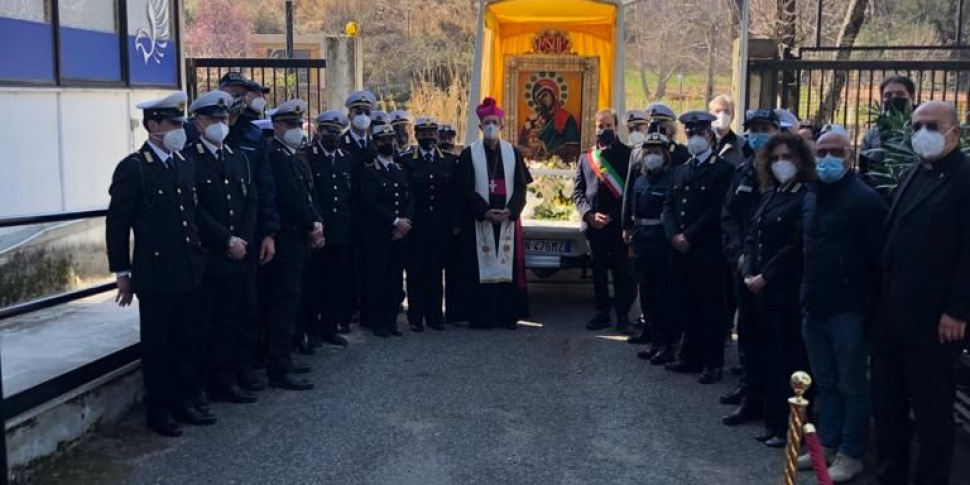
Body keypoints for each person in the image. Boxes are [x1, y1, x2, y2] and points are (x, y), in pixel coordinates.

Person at [873, 100, 970, 485]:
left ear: (954, 133)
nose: (923, 134)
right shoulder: (914, 171)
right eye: (917, 127)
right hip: (891, 312)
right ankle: (889, 476)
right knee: (888, 405)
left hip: (934, 319)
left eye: (932, 126)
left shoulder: (965, 177)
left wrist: (958, 311)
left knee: (932, 413)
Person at [106, 91, 213, 436]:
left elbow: (191, 216)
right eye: (172, 123)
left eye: (180, 123)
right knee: (158, 345)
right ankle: (160, 410)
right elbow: (117, 224)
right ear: (153, 125)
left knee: (188, 339)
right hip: (156, 273)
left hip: (188, 267)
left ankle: (186, 399)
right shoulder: (134, 168)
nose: (178, 129)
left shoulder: (182, 163)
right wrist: (121, 272)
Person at [796, 129, 887, 482]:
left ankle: (852, 453)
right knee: (826, 381)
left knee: (851, 383)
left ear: (850, 157)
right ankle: (827, 445)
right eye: (821, 152)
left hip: (848, 309)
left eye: (836, 152)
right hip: (814, 303)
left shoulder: (865, 201)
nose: (827, 159)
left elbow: (877, 261)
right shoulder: (812, 194)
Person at [181, 91, 260, 406]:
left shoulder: (237, 157)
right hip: (211, 255)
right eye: (212, 118)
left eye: (224, 118)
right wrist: (226, 241)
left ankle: (229, 379)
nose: (219, 123)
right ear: (198, 122)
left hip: (239, 253)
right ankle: (204, 384)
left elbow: (249, 201)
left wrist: (243, 239)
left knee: (234, 319)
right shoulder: (190, 158)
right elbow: (195, 209)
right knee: (206, 323)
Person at [742, 132, 814, 448]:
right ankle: (773, 422)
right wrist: (747, 269)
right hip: (761, 289)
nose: (781, 164)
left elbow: (795, 245)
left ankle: (791, 428)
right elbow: (752, 236)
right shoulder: (772, 193)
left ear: (800, 161)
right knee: (769, 356)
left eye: (787, 158)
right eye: (775, 159)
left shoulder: (804, 195)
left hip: (784, 289)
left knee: (790, 359)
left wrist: (766, 275)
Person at [662, 111, 734, 384]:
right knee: (687, 304)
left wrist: (688, 236)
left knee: (711, 308)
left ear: (710, 136)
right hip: (681, 250)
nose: (694, 139)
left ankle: (712, 362)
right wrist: (673, 236)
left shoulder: (723, 170)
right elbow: (669, 205)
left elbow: (716, 210)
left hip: (706, 250)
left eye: (699, 134)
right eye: (689, 134)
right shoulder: (681, 169)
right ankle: (689, 356)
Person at [218, 72, 278, 392]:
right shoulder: (204, 132)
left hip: (250, 235)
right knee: (218, 313)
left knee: (247, 307)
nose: (240, 99)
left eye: (245, 93)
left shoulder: (252, 137)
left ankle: (243, 369)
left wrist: (268, 232)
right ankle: (219, 377)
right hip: (216, 239)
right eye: (234, 92)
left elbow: (264, 188)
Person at [720, 109, 779, 426]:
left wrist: (764, 266)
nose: (758, 135)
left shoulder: (786, 170)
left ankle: (772, 401)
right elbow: (729, 215)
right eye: (753, 129)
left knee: (772, 339)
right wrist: (738, 254)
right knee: (748, 334)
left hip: (773, 273)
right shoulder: (743, 170)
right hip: (744, 265)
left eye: (764, 128)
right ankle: (749, 394)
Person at [456, 97, 533, 329]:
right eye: (486, 123)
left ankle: (507, 315)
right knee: (481, 267)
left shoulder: (512, 152)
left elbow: (521, 186)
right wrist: (484, 211)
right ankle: (483, 316)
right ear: (480, 127)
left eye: (494, 122)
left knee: (507, 267)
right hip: (481, 219)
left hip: (506, 218)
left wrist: (511, 211)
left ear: (501, 125)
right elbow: (465, 188)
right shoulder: (469, 154)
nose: (490, 127)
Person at [264, 99, 320, 390]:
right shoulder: (275, 155)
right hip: (285, 243)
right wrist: (311, 225)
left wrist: (316, 222)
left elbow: (307, 197)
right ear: (277, 126)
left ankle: (285, 359)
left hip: (299, 242)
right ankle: (279, 366)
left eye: (299, 124)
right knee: (282, 306)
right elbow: (289, 200)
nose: (297, 129)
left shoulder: (294, 156)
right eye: (290, 125)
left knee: (291, 304)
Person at [574, 109, 634, 333]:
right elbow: (578, 192)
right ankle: (602, 313)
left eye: (608, 126)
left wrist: (619, 217)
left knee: (621, 272)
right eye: (600, 126)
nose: (604, 130)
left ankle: (623, 316)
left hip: (618, 226)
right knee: (598, 271)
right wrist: (589, 214)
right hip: (594, 225)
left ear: (615, 128)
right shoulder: (585, 158)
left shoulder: (628, 155)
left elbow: (631, 192)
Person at [622, 133, 677, 363]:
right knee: (647, 296)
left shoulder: (672, 179)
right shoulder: (640, 179)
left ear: (665, 155)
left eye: (656, 152)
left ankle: (667, 345)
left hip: (661, 243)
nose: (652, 156)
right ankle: (653, 340)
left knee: (664, 296)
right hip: (642, 240)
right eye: (648, 152)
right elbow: (634, 208)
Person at [304, 110, 355, 343]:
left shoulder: (346, 158)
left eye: (336, 131)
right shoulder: (309, 156)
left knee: (336, 280)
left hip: (341, 230)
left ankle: (330, 327)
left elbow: (350, 195)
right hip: (318, 229)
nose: (332, 135)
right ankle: (312, 330)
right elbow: (309, 194)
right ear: (318, 131)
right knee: (315, 282)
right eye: (328, 130)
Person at [359, 124, 414, 337]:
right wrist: (394, 221)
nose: (388, 144)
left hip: (400, 234)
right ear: (375, 143)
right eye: (382, 140)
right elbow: (370, 201)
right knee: (378, 278)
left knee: (394, 279)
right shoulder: (369, 170)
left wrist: (406, 222)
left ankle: (391, 320)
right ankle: (378, 321)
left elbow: (410, 198)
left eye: (390, 139)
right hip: (379, 233)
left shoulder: (400, 169)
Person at [403, 117, 457, 332]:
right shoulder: (407, 161)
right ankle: (416, 316)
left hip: (440, 227)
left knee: (436, 274)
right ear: (416, 135)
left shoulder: (449, 161)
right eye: (423, 134)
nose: (428, 138)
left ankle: (435, 316)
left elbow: (454, 196)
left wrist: (454, 223)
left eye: (431, 134)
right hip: (416, 227)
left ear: (437, 135)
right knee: (415, 274)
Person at [861, 75, 916, 171]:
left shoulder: (922, 129)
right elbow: (864, 166)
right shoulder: (873, 133)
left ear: (912, 97)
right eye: (888, 95)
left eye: (900, 94)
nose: (894, 98)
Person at [518, 79, 581, 160]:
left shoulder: (567, 119)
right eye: (540, 99)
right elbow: (523, 142)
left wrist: (547, 149)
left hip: (558, 164)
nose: (543, 100)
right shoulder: (535, 119)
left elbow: (572, 147)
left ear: (553, 94)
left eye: (545, 95)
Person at [709, 95, 746, 167]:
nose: (722, 115)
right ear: (710, 115)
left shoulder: (742, 145)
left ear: (733, 116)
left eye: (726, 111)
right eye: (717, 111)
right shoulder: (702, 143)